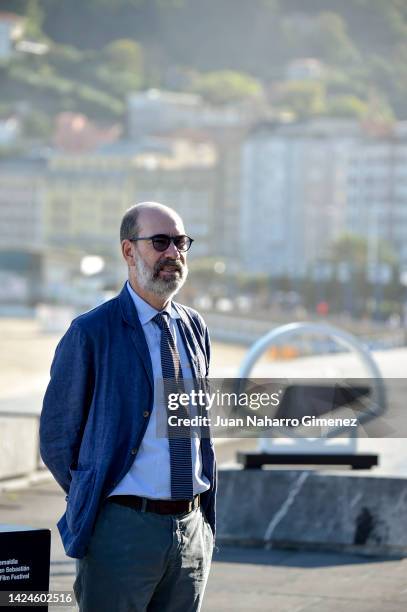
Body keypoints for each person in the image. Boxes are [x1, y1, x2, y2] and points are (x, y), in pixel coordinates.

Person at [40, 202, 216, 612]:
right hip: (121, 532)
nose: (173, 253)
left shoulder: (194, 328)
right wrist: (100, 499)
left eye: (181, 242)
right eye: (160, 242)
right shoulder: (91, 332)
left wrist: (201, 526)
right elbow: (56, 438)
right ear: (129, 251)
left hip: (191, 530)